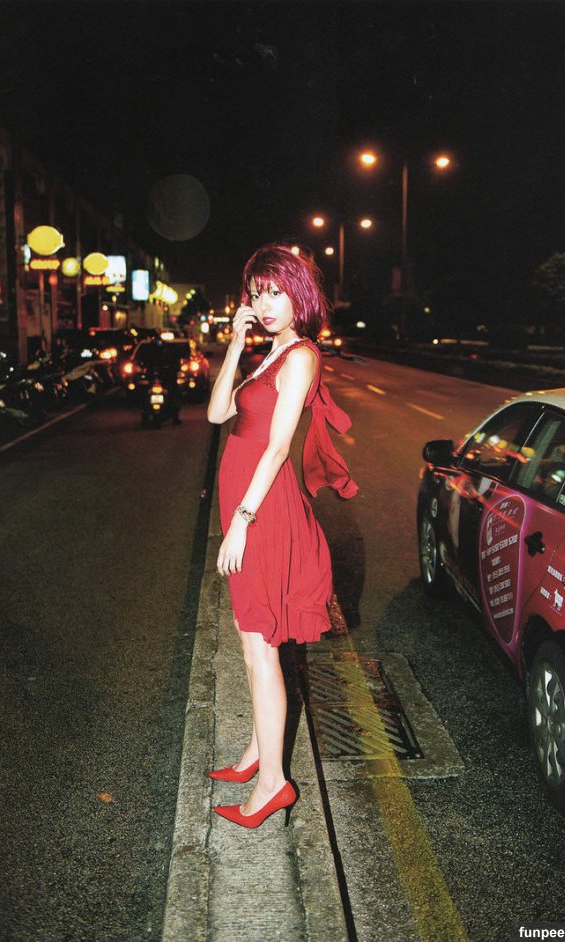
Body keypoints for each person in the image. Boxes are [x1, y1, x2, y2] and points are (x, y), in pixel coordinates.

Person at [206, 244, 358, 829]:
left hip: (262, 508)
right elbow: (218, 414)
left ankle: (273, 783)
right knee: (251, 641)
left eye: (276, 292)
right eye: (257, 293)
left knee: (259, 643)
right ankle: (258, 751)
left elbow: (276, 447)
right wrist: (234, 343)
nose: (266, 304)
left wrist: (242, 522)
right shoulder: (267, 352)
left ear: (301, 294)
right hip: (246, 501)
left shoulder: (300, 356)